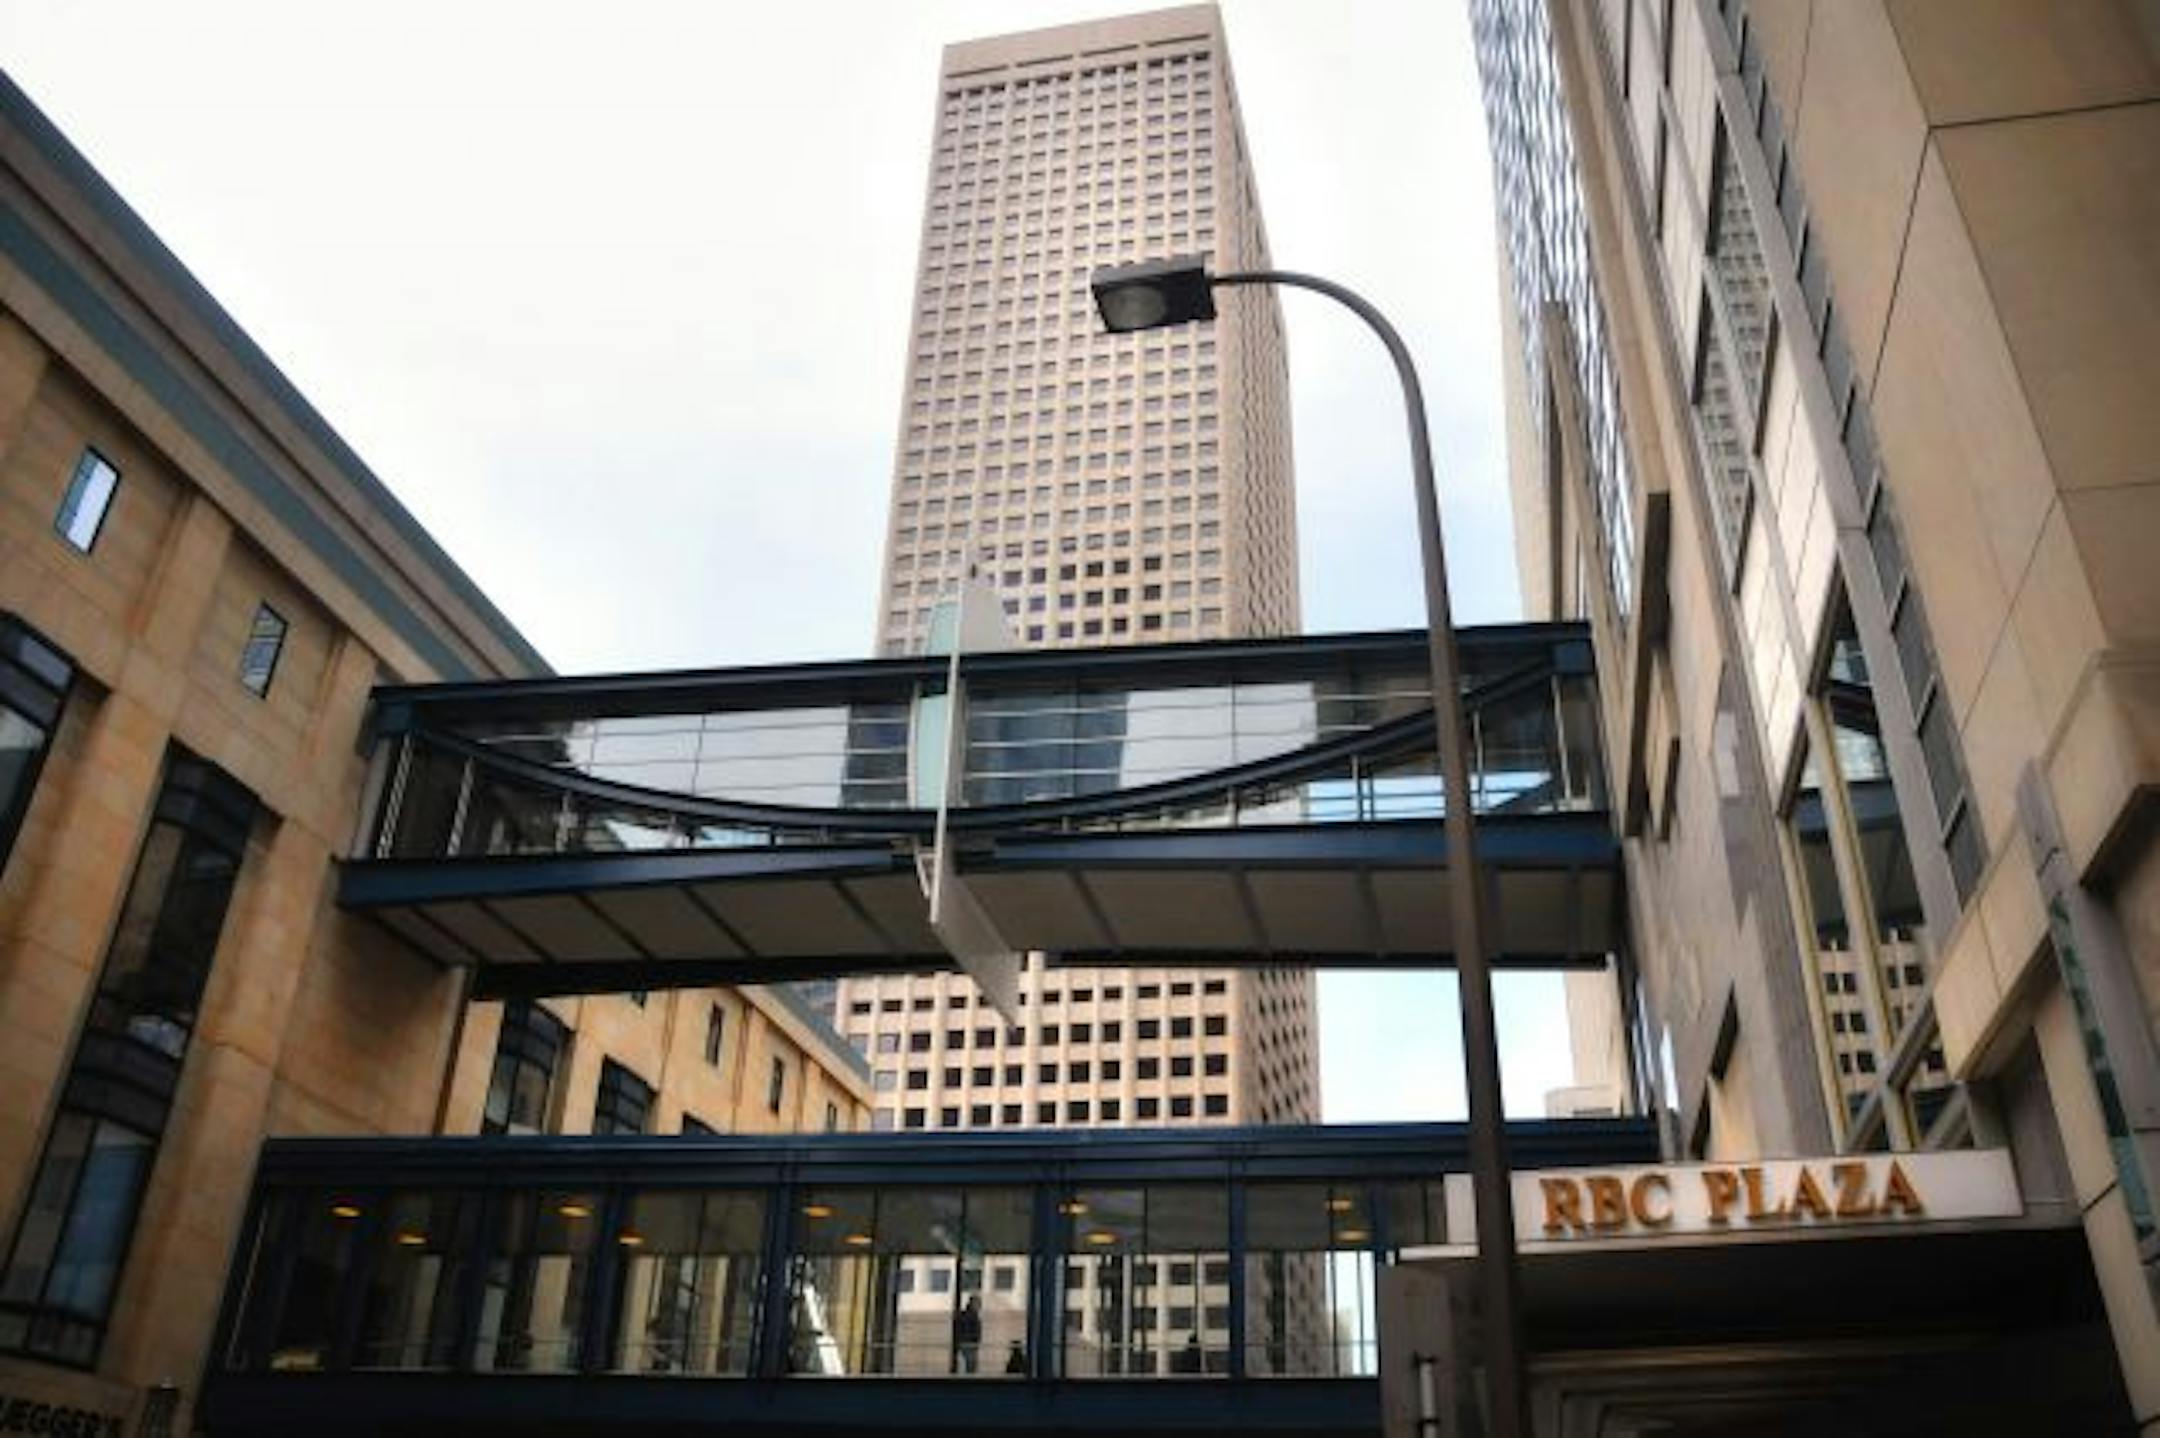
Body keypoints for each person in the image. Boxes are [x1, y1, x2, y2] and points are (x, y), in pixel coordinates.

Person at [954, 1295, 983, 1374]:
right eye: (978, 1304)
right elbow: (966, 1330)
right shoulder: (969, 1316)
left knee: (971, 1366)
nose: (979, 1306)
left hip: (970, 1344)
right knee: (970, 1366)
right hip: (968, 1344)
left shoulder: (971, 1315)